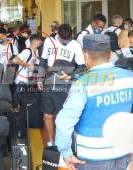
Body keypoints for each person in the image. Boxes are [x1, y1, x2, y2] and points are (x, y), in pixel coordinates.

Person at [55, 34, 133, 170]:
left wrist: (66, 153)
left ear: (86, 56)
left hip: (92, 159)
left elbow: (63, 122)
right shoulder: (129, 76)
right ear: (109, 54)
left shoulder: (82, 83)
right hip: (124, 154)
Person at [38, 24, 85, 147]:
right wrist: (39, 78)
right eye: (62, 39)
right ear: (57, 33)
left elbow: (82, 67)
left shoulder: (75, 45)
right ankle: (51, 141)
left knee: (61, 116)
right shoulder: (49, 41)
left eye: (67, 40)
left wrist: (70, 77)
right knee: (47, 115)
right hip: (48, 82)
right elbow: (43, 61)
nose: (64, 42)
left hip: (65, 85)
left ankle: (61, 142)